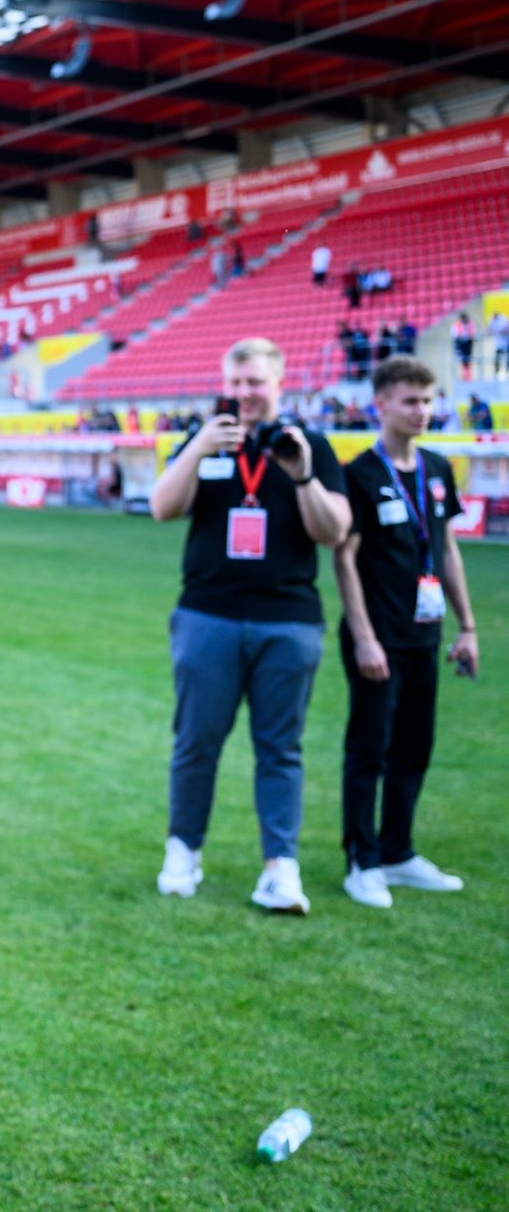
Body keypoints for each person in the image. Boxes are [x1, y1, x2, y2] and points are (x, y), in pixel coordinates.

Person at [148, 338, 351, 913]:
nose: (244, 394)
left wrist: (304, 475)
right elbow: (162, 507)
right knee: (195, 743)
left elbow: (334, 531)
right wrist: (198, 448)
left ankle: (280, 868)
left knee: (280, 749)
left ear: (279, 383)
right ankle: (183, 850)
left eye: (255, 383)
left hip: (287, 620)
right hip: (207, 615)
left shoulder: (307, 444)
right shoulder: (207, 438)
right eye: (236, 383)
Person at [332, 357, 479, 908]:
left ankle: (398, 852)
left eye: (427, 400)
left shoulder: (438, 469)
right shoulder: (359, 475)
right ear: (382, 405)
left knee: (415, 746)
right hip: (378, 636)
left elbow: (448, 549)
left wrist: (466, 626)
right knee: (369, 747)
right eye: (410, 401)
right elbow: (345, 560)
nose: (422, 411)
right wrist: (364, 636)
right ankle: (360, 860)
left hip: (426, 633)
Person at [451, 312, 475, 382]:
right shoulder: (457, 325)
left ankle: (467, 375)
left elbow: (472, 334)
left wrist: (467, 336)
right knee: (462, 361)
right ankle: (464, 375)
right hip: (460, 344)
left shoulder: (470, 324)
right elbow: (455, 335)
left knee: (467, 361)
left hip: (468, 344)